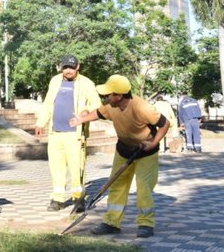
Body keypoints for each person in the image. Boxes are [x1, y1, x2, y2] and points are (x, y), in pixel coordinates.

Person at [69, 75, 170, 238]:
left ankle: (146, 224)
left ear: (119, 96)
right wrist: (80, 120)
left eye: (109, 94)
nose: (106, 97)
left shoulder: (142, 108)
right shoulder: (111, 106)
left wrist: (153, 143)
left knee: (144, 188)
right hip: (123, 150)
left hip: (146, 152)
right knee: (117, 185)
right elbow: (98, 113)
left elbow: (165, 124)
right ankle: (111, 223)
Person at [34, 55, 101, 212]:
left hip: (75, 135)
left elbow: (97, 104)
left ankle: (78, 199)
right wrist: (40, 122)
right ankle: (58, 199)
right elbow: (48, 103)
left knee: (77, 167)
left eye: (71, 67)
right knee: (56, 167)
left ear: (78, 67)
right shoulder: (55, 81)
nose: (68, 70)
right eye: (65, 67)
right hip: (56, 132)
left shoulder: (86, 83)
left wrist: (85, 112)